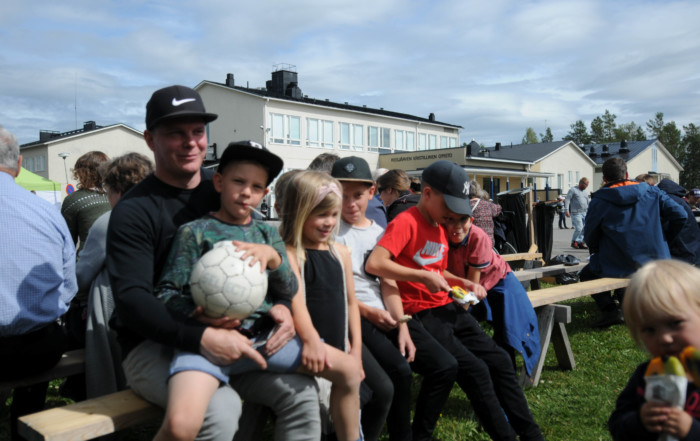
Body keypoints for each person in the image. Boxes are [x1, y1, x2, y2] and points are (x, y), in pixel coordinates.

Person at [106, 85, 320, 441]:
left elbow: (269, 254)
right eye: (175, 133)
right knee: (218, 411)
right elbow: (132, 301)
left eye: (197, 131)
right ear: (150, 139)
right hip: (154, 341)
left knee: (304, 395)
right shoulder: (134, 211)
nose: (190, 142)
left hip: (241, 334)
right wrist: (202, 336)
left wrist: (283, 305)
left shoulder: (227, 186)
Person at [152, 142, 360, 441]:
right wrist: (195, 315)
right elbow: (165, 293)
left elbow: (288, 289)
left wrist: (274, 262)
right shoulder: (194, 232)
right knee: (180, 425)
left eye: (257, 186)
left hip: (265, 342)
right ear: (219, 182)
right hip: (207, 344)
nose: (246, 192)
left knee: (350, 371)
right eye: (238, 181)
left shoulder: (266, 235)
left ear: (265, 193)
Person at [366, 160, 544, 441]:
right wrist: (422, 277)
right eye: (448, 205)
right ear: (427, 194)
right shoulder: (405, 222)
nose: (452, 215)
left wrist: (462, 282)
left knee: (499, 360)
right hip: (422, 312)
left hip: (447, 306)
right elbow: (375, 264)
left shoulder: (439, 225)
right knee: (475, 371)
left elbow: (436, 269)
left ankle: (532, 435)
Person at [333, 156, 458, 441]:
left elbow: (388, 282)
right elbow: (335, 291)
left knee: (445, 365)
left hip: (391, 313)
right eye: (342, 195)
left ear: (372, 192)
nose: (350, 204)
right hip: (357, 315)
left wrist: (403, 324)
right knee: (400, 371)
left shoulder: (378, 232)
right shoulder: (331, 231)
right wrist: (369, 313)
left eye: (357, 195)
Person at [0, 126, 77, 441]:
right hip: (39, 348)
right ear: (19, 164)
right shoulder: (48, 212)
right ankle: (25, 428)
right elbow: (68, 287)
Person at [279, 170, 364, 441]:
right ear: (299, 212)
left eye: (334, 214)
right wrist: (313, 342)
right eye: (321, 214)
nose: (329, 222)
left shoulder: (341, 253)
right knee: (316, 421)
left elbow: (351, 303)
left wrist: (356, 351)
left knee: (348, 410)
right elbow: (298, 306)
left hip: (341, 349)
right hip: (310, 351)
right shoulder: (290, 255)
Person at [76, 152, 154, 399]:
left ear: (117, 191)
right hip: (152, 302)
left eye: (107, 190)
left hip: (113, 302)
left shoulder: (110, 220)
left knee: (110, 373)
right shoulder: (158, 212)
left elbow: (83, 274)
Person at [581, 157, 687, 328]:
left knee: (587, 274)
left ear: (604, 179)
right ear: (627, 174)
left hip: (618, 263)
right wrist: (665, 239)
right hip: (656, 260)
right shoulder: (652, 192)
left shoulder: (599, 201)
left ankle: (610, 311)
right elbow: (681, 215)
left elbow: (590, 234)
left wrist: (596, 250)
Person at [608, 260, 700, 440]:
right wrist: (639, 421)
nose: (664, 338)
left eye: (675, 323)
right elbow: (617, 426)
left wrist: (692, 431)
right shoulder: (646, 376)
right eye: (649, 330)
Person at [444, 210, 541, 377]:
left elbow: (470, 290)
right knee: (451, 322)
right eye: (451, 220)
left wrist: (459, 318)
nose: (457, 226)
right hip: (466, 284)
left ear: (471, 220)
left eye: (462, 220)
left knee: (506, 331)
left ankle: (506, 377)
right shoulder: (438, 235)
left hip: (499, 282)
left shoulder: (478, 237)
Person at [61, 151, 111, 255]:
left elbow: (67, 242)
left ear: (81, 172)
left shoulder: (74, 200)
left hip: (88, 260)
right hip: (119, 259)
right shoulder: (117, 195)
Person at [656, 178, 700, 267]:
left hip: (682, 254)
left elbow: (667, 227)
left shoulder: (668, 201)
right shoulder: (678, 200)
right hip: (692, 250)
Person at [468, 180, 502, 247]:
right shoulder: (488, 205)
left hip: (474, 243)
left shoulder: (466, 206)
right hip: (489, 242)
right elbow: (498, 209)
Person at [565, 177, 590, 249]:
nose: (586, 187)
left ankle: (580, 242)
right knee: (579, 228)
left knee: (585, 229)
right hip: (576, 213)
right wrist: (566, 210)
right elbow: (567, 199)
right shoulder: (573, 190)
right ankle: (574, 242)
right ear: (581, 183)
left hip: (585, 213)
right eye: (586, 185)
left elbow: (587, 202)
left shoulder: (585, 192)